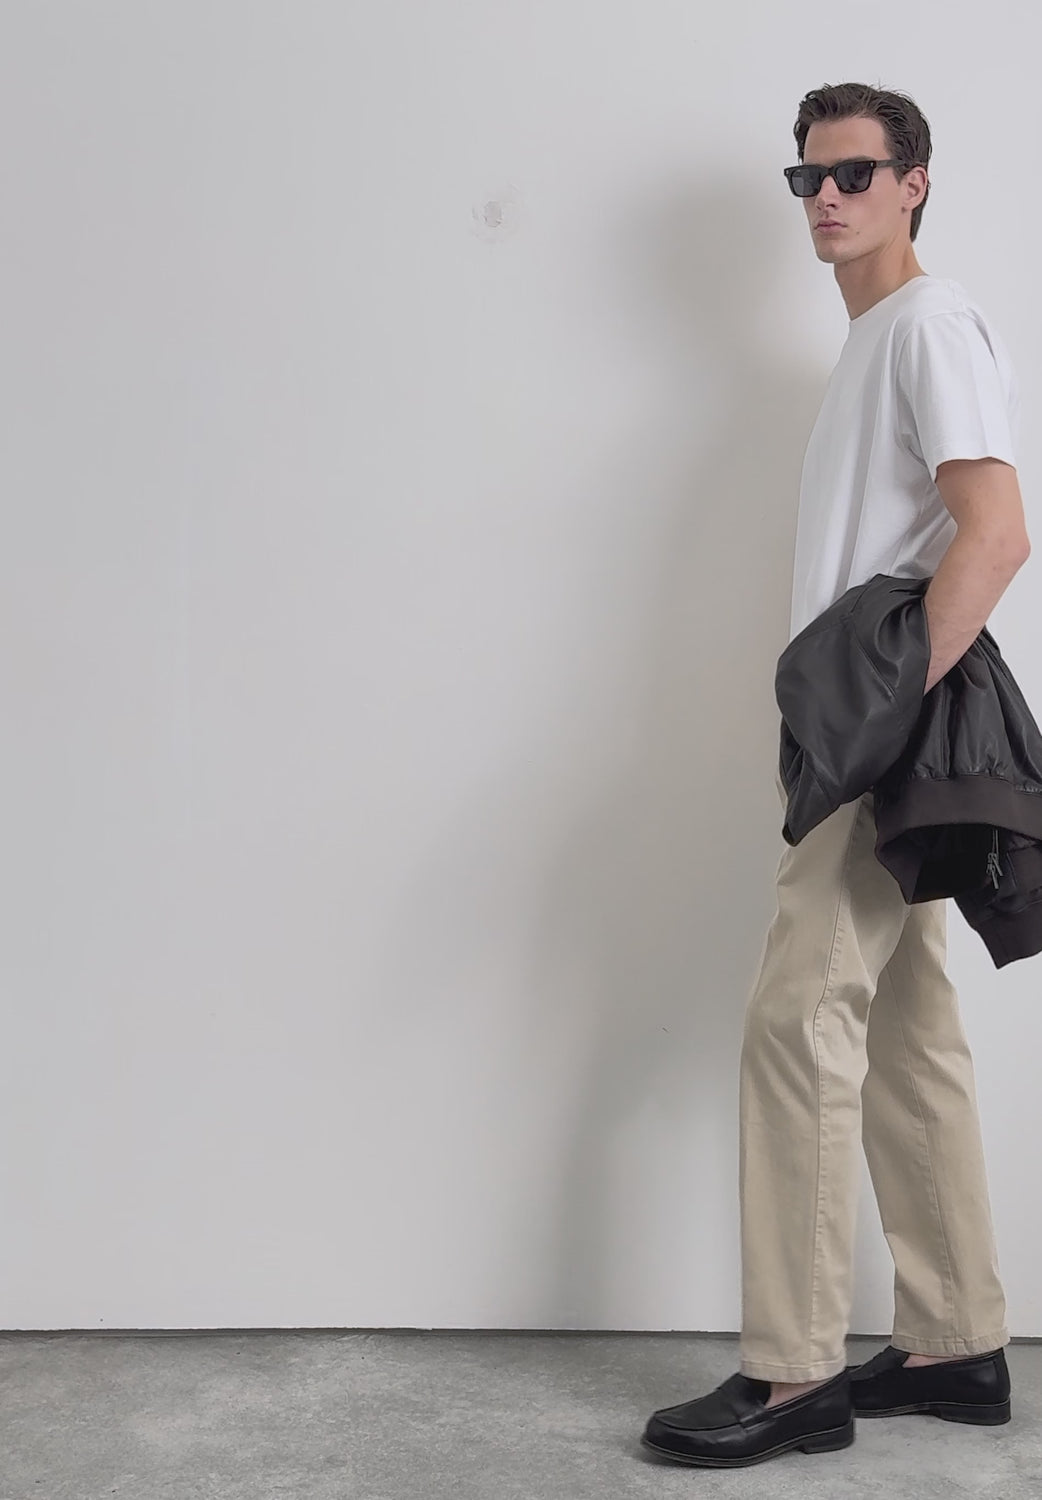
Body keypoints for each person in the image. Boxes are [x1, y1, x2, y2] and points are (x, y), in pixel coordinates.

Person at [642, 81, 1030, 1469]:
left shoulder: (923, 323)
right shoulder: (873, 339)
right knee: (907, 1031)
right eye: (806, 177)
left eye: (854, 173)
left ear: (912, 182)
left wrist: (877, 715)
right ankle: (956, 1343)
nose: (825, 198)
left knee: (795, 1015)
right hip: (862, 724)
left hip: (880, 732)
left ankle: (793, 1371)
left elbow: (996, 533)